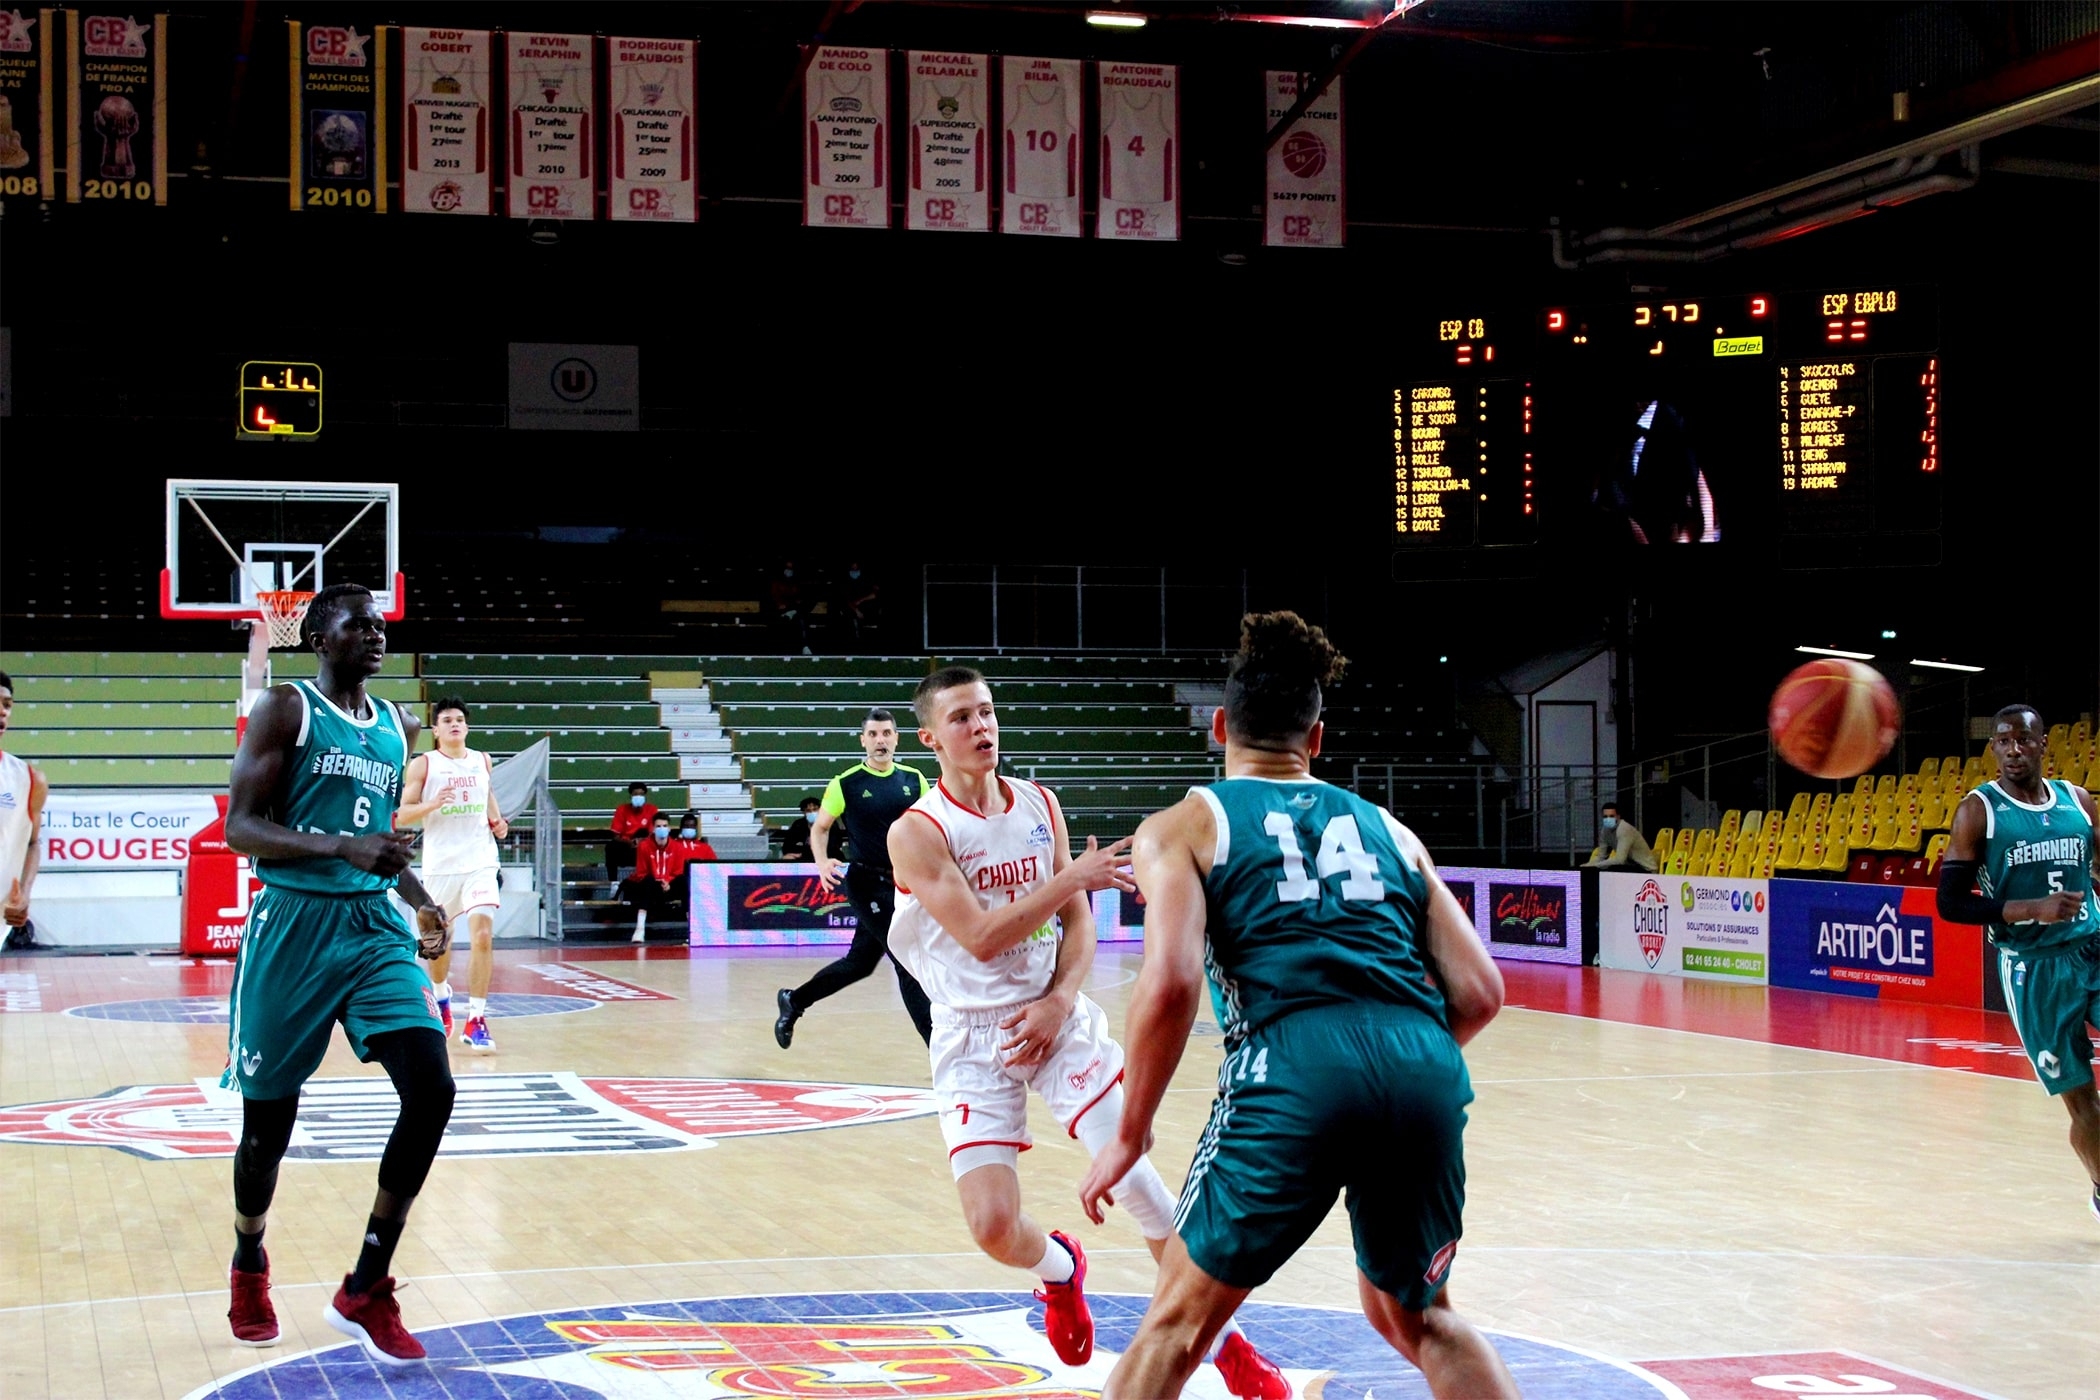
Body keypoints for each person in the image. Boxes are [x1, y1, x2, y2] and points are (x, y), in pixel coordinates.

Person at [1080, 613, 1516, 1399]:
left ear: (1220, 727)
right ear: (1317, 737)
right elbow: (1483, 993)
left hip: (1293, 1064)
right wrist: (1395, 1061)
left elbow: (1172, 984)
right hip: (1422, 1058)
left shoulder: (1182, 825)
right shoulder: (1390, 828)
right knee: (1417, 1316)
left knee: (1176, 1325)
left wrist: (1133, 1132)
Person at [888, 667, 1292, 1398]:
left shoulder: (1040, 803)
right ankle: (1062, 1271)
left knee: (1136, 1179)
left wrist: (1060, 996)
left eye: (986, 712)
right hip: (969, 1035)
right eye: (960, 719)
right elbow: (980, 937)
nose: (981, 727)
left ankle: (1227, 1345)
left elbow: (1077, 923)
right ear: (930, 738)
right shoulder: (915, 832)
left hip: (1056, 1015)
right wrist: (1072, 877)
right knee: (991, 1226)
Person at [218, 583, 457, 1367]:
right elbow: (240, 828)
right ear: (319, 635)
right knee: (266, 1133)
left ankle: (368, 1282)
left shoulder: (398, 725)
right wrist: (338, 848)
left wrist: (417, 898)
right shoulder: (286, 709)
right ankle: (250, 1254)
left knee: (433, 1087)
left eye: (380, 625)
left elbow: (377, 839)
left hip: (371, 927)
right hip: (292, 925)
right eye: (358, 624)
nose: (375, 635)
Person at [1938, 704, 2100, 1222]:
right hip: (2034, 969)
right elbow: (1950, 903)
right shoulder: (1978, 810)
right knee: (2083, 1103)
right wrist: (2031, 909)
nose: (2013, 750)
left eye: (2023, 741)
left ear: (2042, 743)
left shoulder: (2078, 800)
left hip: (2092, 946)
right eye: (2003, 742)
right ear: (1994, 749)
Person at [776, 709, 935, 1048]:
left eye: (887, 733)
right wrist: (821, 863)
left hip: (902, 885)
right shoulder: (845, 783)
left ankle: (794, 1001)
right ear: (863, 740)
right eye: (874, 735)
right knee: (905, 959)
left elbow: (931, 827)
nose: (881, 741)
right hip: (865, 883)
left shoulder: (914, 779)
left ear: (896, 738)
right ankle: (937, 1045)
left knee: (859, 964)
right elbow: (820, 828)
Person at [396, 696, 508, 1053]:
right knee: (440, 939)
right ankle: (442, 997)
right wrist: (433, 804)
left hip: (480, 859)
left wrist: (497, 819)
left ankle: (477, 1019)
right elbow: (402, 815)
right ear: (436, 729)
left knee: (483, 934)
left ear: (467, 726)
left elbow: (487, 793)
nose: (455, 724)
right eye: (447, 720)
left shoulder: (482, 760)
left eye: (460, 719)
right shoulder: (424, 765)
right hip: (442, 863)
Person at [0, 670, 50, 948]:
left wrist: (25, 894)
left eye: (7, 705)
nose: (2, 712)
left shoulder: (29, 780)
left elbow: (32, 843)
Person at [621, 811, 697, 942]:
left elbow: (678, 871)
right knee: (647, 881)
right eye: (658, 826)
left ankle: (693, 929)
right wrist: (658, 881)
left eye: (664, 826)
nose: (662, 829)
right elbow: (641, 872)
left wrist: (668, 882)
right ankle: (639, 929)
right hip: (651, 886)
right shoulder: (644, 846)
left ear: (669, 828)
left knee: (684, 881)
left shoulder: (677, 847)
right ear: (653, 829)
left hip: (669, 885)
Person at [1582, 800, 1659, 871]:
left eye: (1611, 816)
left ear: (1618, 816)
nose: (1608, 819)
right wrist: (1587, 866)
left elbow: (1620, 859)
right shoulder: (1604, 831)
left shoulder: (1624, 829)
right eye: (1605, 817)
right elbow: (1601, 857)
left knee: (1611, 869)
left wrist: (1597, 865)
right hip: (1630, 866)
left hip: (1646, 869)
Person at [607, 781, 658, 886]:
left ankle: (656, 881)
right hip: (627, 847)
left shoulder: (652, 809)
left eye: (641, 794)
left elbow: (652, 833)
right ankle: (613, 883)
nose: (639, 796)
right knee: (610, 847)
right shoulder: (622, 809)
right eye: (636, 794)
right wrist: (629, 842)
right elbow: (615, 835)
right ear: (631, 795)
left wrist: (642, 841)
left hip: (645, 846)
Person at [779, 796, 823, 861]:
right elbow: (787, 846)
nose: (812, 813)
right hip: (802, 858)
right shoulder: (798, 825)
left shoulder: (830, 824)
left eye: (815, 809)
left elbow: (832, 847)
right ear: (804, 812)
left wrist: (803, 850)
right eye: (808, 810)